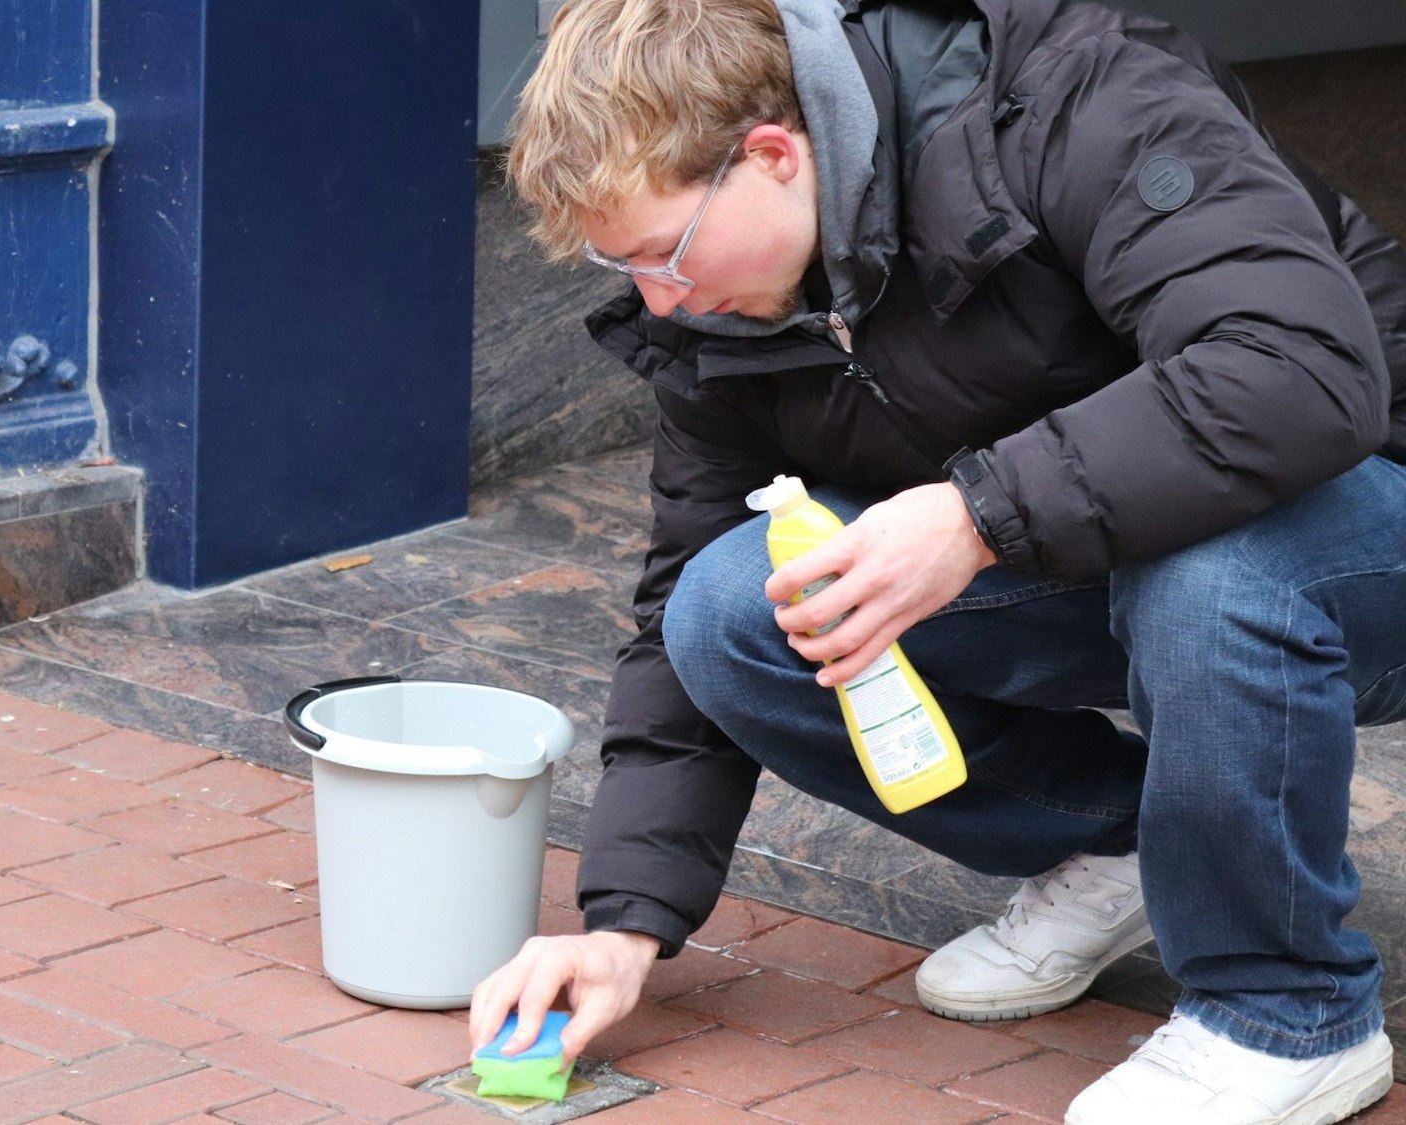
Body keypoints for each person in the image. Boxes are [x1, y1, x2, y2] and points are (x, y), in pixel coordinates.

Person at [466, 0, 1406, 1120]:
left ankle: (1286, 1015)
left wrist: (970, 519)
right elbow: (679, 587)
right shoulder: (724, 312)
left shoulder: (1074, 95)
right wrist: (626, 922)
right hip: (1106, 535)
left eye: (661, 254)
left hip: (1353, 513)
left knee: (1207, 572)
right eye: (615, 265)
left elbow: (1291, 370)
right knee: (733, 609)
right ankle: (1132, 853)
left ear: (769, 156)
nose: (659, 296)